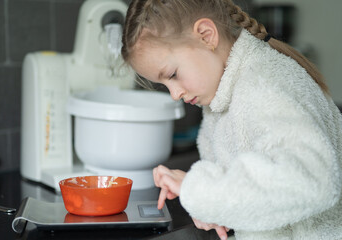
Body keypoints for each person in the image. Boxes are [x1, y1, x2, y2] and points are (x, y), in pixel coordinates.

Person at [121, 0, 342, 239]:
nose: (175, 94)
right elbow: (252, 195)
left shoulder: (264, 84)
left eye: (173, 75)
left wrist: (200, 190)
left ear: (206, 36)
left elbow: (312, 182)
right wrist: (215, 209)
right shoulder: (219, 103)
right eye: (164, 85)